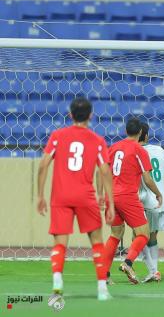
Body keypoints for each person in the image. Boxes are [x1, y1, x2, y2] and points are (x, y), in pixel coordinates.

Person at [37, 98, 115, 301]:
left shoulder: (57, 136)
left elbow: (44, 164)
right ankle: (102, 290)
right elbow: (105, 171)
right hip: (85, 196)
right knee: (96, 242)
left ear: (70, 115)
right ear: (91, 116)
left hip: (60, 196)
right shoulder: (97, 140)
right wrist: (109, 202)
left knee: (60, 242)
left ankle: (57, 281)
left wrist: (39, 195)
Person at [103, 118, 163, 284]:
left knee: (115, 234)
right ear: (141, 133)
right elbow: (147, 178)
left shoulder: (113, 147)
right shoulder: (139, 150)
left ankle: (104, 276)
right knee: (143, 233)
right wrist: (158, 193)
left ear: (126, 131)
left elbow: (104, 171)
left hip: (111, 196)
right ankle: (128, 263)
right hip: (127, 196)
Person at [138, 122, 164, 283]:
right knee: (152, 237)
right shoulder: (159, 150)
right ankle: (154, 270)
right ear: (146, 135)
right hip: (162, 200)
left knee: (139, 237)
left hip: (145, 200)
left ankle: (153, 271)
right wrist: (158, 187)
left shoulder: (136, 152)